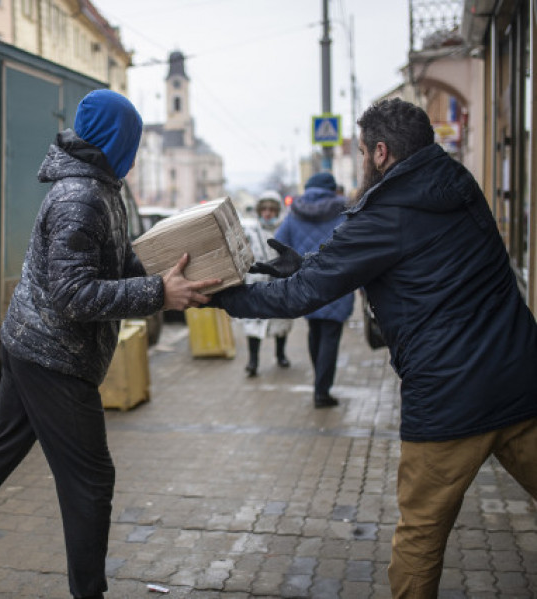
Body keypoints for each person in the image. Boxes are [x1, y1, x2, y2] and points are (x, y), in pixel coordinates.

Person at [0, 90, 219, 599]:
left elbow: (115, 266)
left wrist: (171, 275)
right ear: (118, 143)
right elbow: (74, 294)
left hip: (34, 342)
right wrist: (160, 293)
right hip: (53, 354)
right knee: (91, 480)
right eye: (131, 143)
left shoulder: (101, 190)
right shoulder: (81, 199)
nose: (134, 155)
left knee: (0, 449)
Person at [212, 98, 537, 598]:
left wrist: (224, 298)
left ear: (380, 153)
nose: (362, 161)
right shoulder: (458, 183)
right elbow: (384, 256)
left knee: (421, 536)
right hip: (522, 377)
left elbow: (302, 297)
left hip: (450, 402)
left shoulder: (386, 212)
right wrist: (305, 263)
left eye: (363, 151)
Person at [273, 171, 352, 408]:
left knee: (314, 329)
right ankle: (322, 390)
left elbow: (278, 240)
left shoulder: (295, 212)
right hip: (337, 284)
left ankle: (319, 380)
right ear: (332, 189)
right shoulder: (344, 211)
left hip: (306, 283)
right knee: (330, 335)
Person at [241, 190, 292, 377]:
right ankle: (253, 361)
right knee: (253, 324)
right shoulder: (250, 231)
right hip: (256, 283)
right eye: (265, 209)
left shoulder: (284, 229)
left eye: (272, 209)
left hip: (280, 283)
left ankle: (280, 354)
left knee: (281, 322)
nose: (268, 213)